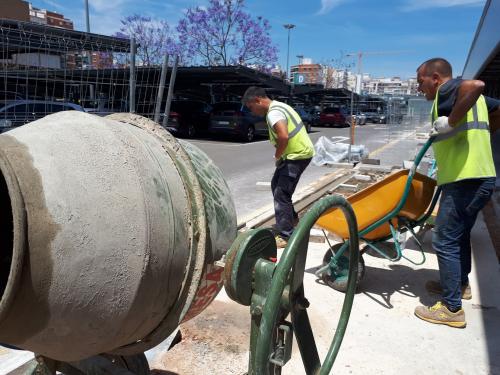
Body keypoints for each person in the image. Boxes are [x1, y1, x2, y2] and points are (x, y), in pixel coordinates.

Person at [414, 57, 499, 328]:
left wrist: (450, 121)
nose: (419, 88)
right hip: (479, 176)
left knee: (444, 240)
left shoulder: (449, 90)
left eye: (421, 82)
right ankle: (460, 285)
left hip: (466, 178)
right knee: (459, 234)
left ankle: (451, 309)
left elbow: (477, 84)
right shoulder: (475, 102)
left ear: (435, 78)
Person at [242, 87, 314, 248]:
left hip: (297, 155)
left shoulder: (274, 113)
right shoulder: (279, 106)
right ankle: (291, 219)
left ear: (258, 100)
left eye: (251, 107)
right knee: (276, 185)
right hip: (296, 154)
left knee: (282, 193)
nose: (252, 112)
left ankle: (286, 234)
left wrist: (277, 155)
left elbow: (283, 135)